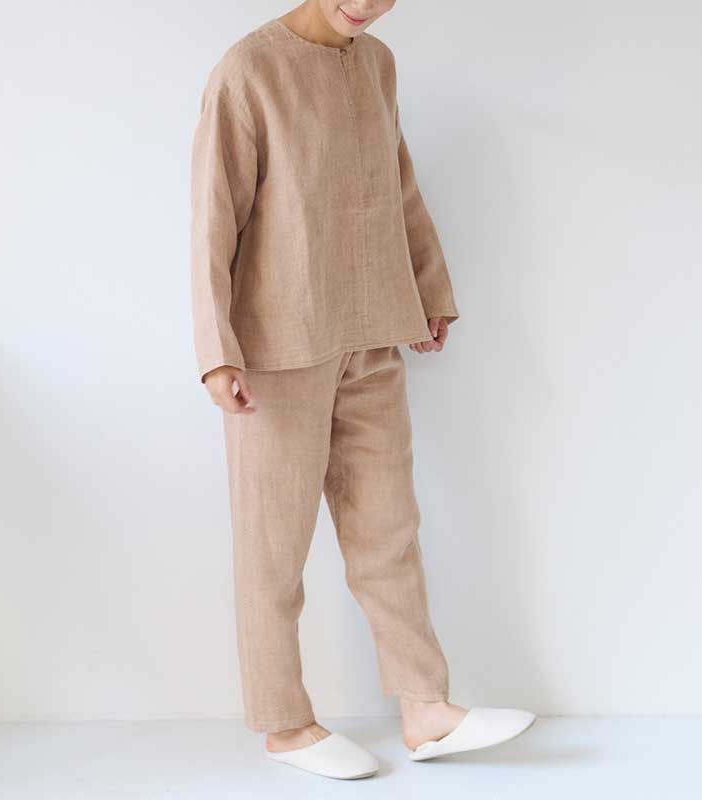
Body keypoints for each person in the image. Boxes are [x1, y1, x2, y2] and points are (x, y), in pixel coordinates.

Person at [190, 0, 535, 780]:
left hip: (373, 327)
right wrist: (216, 352)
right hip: (277, 346)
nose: (368, 5)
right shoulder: (248, 70)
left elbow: (396, 183)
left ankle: (426, 709)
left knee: (389, 530)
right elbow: (213, 215)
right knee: (273, 548)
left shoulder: (378, 64)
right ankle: (285, 724)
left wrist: (428, 288)